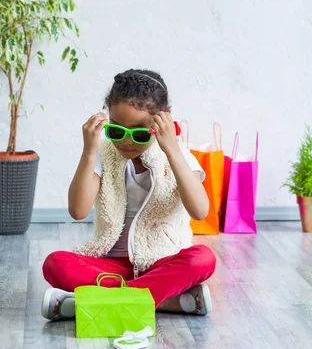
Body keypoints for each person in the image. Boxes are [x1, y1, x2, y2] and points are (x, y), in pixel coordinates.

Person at [41, 69, 217, 320]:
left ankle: (95, 303)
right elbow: (78, 211)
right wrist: (89, 151)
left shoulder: (179, 156)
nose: (126, 142)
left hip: (160, 263)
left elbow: (200, 211)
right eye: (116, 131)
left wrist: (172, 150)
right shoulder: (104, 154)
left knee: (202, 259)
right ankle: (165, 302)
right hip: (112, 266)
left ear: (161, 121)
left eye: (139, 133)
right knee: (55, 264)